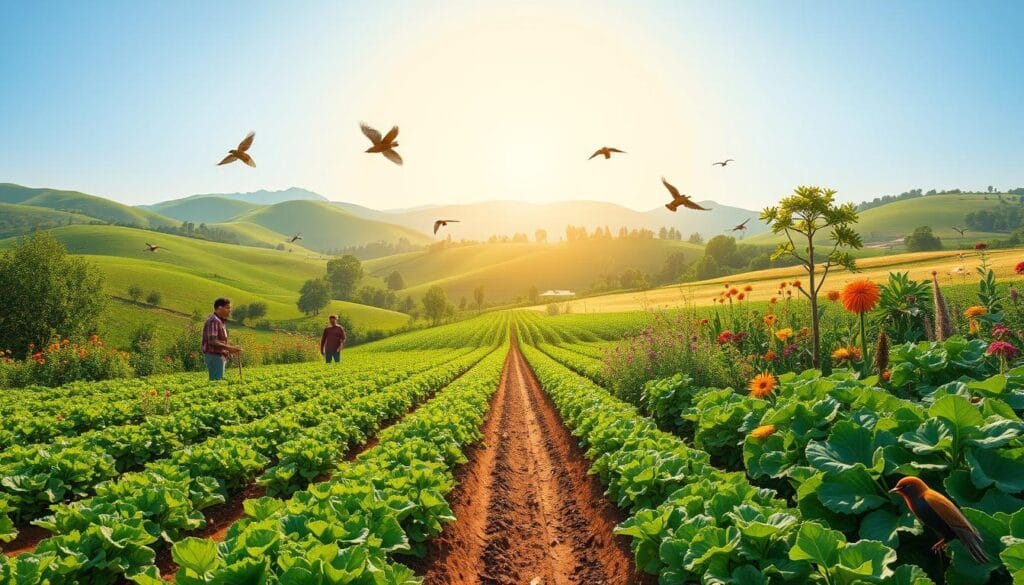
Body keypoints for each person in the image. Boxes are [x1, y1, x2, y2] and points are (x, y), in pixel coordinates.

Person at [201, 297, 242, 380]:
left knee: (217, 381)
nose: (230, 310)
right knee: (216, 382)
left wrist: (230, 349)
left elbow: (219, 340)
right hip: (214, 355)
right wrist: (230, 348)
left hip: (218, 355)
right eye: (227, 307)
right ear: (219, 308)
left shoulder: (220, 321)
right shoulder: (214, 320)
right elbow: (212, 341)